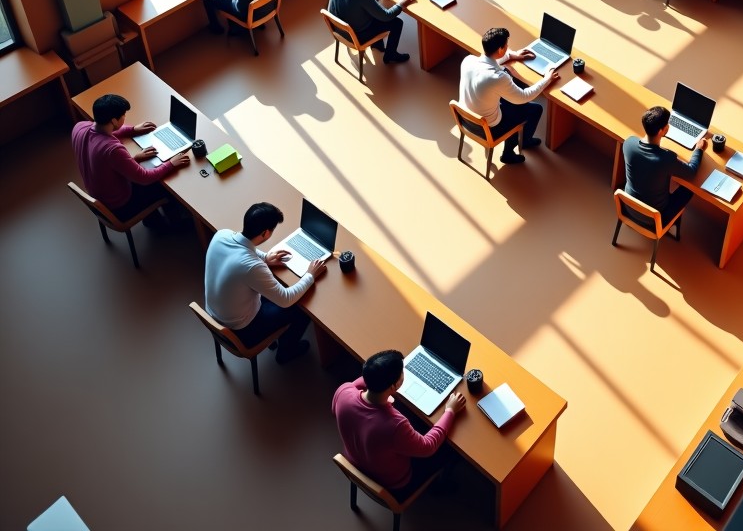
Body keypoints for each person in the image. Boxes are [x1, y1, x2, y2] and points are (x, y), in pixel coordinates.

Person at [204, 201, 327, 365]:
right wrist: (310, 275)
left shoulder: (222, 235)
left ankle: (281, 340)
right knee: (302, 308)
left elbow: (242, 249)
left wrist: (266, 258)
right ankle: (286, 352)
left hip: (215, 314)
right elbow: (286, 299)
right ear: (265, 233)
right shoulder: (251, 267)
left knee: (273, 287)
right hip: (241, 329)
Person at [332, 349, 465, 496]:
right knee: (452, 449)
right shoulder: (395, 425)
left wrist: (381, 370)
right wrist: (450, 410)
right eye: (403, 372)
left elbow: (357, 387)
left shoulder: (343, 392)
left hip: (355, 460)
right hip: (395, 483)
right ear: (393, 387)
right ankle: (441, 485)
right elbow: (428, 446)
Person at [71, 93, 191, 227]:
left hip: (100, 195)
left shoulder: (79, 127)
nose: (124, 118)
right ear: (114, 121)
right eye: (123, 116)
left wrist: (133, 130)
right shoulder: (112, 149)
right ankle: (173, 225)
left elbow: (102, 141)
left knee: (151, 174)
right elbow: (144, 178)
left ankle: (153, 220)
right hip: (120, 206)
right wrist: (171, 163)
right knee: (165, 185)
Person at [459, 26, 560, 165]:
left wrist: (513, 55)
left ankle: (521, 142)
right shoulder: (497, 77)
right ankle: (511, 152)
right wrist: (547, 78)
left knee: (509, 100)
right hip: (488, 128)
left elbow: (490, 61)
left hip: (466, 119)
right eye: (506, 45)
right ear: (500, 49)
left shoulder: (468, 60)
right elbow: (524, 96)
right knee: (535, 109)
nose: (508, 47)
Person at [622, 106, 706, 228]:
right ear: (662, 131)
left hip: (628, 207)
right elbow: (692, 172)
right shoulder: (666, 159)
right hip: (654, 219)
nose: (669, 126)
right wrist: (699, 149)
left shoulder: (628, 143)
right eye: (667, 125)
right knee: (688, 190)